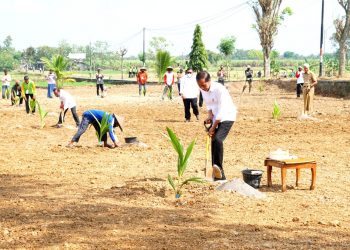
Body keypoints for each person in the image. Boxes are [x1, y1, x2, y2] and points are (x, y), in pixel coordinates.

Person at [196, 71, 237, 181]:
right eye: (199, 86)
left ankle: (219, 169)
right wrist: (209, 116)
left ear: (209, 81)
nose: (202, 88)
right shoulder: (202, 89)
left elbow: (221, 112)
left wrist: (212, 128)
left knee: (218, 139)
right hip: (216, 117)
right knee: (213, 141)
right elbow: (209, 104)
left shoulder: (220, 89)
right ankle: (217, 175)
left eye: (203, 85)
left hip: (227, 116)